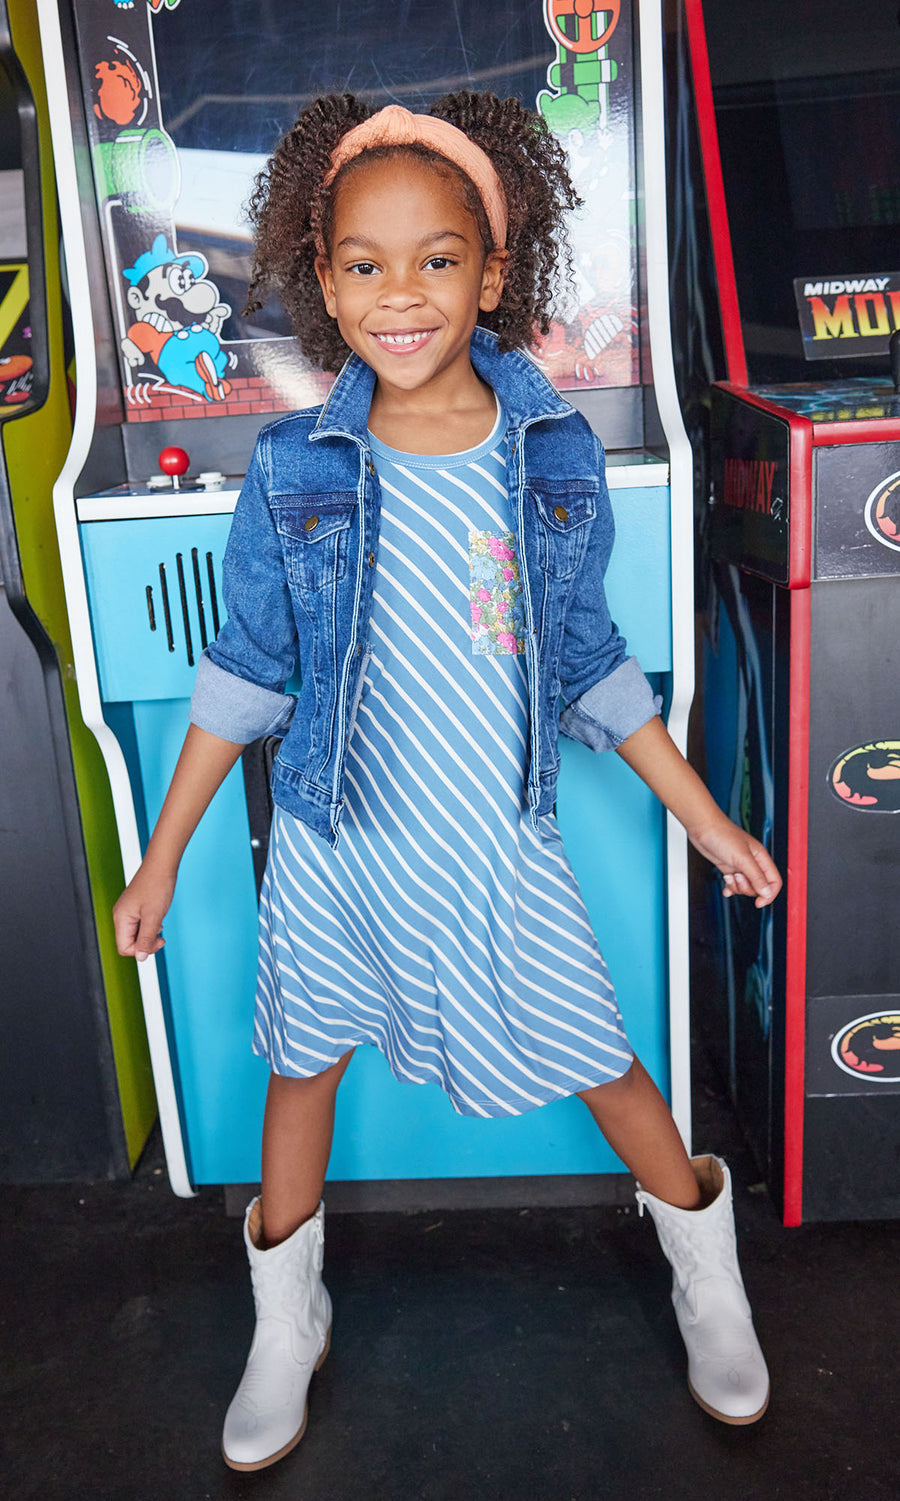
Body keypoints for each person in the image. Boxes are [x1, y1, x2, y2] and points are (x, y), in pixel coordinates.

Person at [113, 91, 782, 1471]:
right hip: (336, 843)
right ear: (323, 277)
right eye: (364, 262)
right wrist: (166, 853)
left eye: (436, 259)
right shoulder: (296, 466)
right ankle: (286, 1319)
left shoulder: (549, 456)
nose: (398, 294)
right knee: (301, 1071)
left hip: (496, 841)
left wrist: (707, 817)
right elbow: (245, 672)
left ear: (494, 270)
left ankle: (706, 1271)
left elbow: (591, 662)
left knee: (604, 1060)